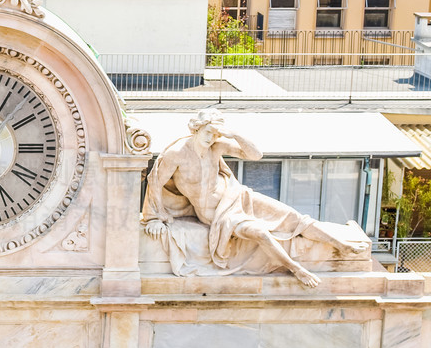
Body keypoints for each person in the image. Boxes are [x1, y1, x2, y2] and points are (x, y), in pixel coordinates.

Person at [142, 109, 367, 287]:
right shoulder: (176, 153)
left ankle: (341, 244)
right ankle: (296, 268)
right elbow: (155, 182)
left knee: (293, 217)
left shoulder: (217, 145)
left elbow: (255, 155)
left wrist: (233, 135)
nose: (211, 138)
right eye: (208, 132)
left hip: (237, 196)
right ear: (197, 128)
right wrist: (154, 218)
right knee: (260, 232)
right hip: (220, 216)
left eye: (215, 133)